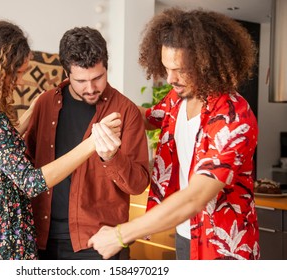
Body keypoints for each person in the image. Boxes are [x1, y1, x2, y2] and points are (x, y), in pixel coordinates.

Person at [0, 20, 121, 260]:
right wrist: (91, 143)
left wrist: (29, 116)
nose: (20, 81)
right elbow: (31, 182)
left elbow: (0, 147)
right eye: (18, 73)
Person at [88, 8, 260, 260]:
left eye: (180, 69)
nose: (170, 78)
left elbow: (196, 197)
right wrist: (99, 93)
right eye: (167, 67)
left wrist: (120, 235)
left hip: (223, 245)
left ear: (207, 63)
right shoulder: (177, 99)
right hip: (185, 233)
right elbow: (146, 117)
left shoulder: (233, 116)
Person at [24, 26, 150, 260]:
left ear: (106, 67)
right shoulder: (45, 104)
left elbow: (138, 184)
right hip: (41, 238)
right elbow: (26, 165)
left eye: (97, 78)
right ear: (66, 72)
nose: (91, 88)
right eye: (81, 80)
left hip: (98, 242)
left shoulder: (126, 111)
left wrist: (113, 157)